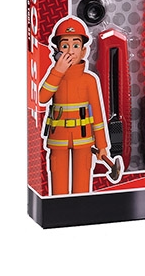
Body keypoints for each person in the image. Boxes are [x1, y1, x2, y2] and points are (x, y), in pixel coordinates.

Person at [39, 16, 109, 195]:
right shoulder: (55, 77)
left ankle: (81, 209)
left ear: (84, 51)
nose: (71, 51)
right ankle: (57, 209)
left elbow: (98, 117)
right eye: (65, 46)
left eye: (76, 45)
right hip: (58, 139)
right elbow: (42, 97)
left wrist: (102, 145)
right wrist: (57, 71)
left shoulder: (89, 81)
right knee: (58, 186)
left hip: (84, 140)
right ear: (57, 50)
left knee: (82, 186)